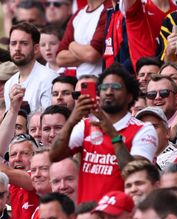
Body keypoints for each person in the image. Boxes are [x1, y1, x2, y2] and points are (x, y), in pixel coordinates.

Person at [48, 64, 158, 203]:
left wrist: (112, 133)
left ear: (130, 96)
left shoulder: (143, 130)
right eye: (104, 88)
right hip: (87, 217)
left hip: (122, 216)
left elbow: (134, 174)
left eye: (116, 87)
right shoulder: (85, 126)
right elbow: (54, 155)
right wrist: (72, 120)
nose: (109, 92)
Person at [3, 23, 56, 112]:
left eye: (24, 43)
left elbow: (51, 120)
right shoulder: (9, 84)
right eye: (13, 43)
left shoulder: (49, 79)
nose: (17, 48)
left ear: (36, 48)